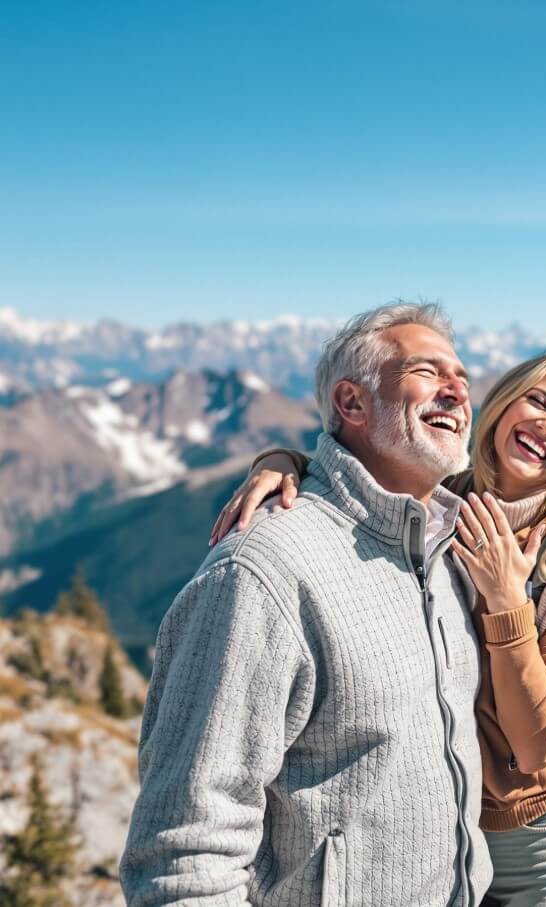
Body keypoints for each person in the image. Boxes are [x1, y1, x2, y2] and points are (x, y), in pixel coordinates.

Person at [214, 350, 546, 906]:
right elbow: (359, 480)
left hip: (544, 851)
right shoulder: (442, 492)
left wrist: (508, 603)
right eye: (539, 401)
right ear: (505, 402)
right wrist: (285, 462)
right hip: (445, 835)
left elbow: (537, 748)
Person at [120, 303, 492, 906]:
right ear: (351, 403)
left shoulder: (450, 548)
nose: (456, 391)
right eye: (427, 372)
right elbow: (186, 846)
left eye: (462, 379)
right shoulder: (262, 571)